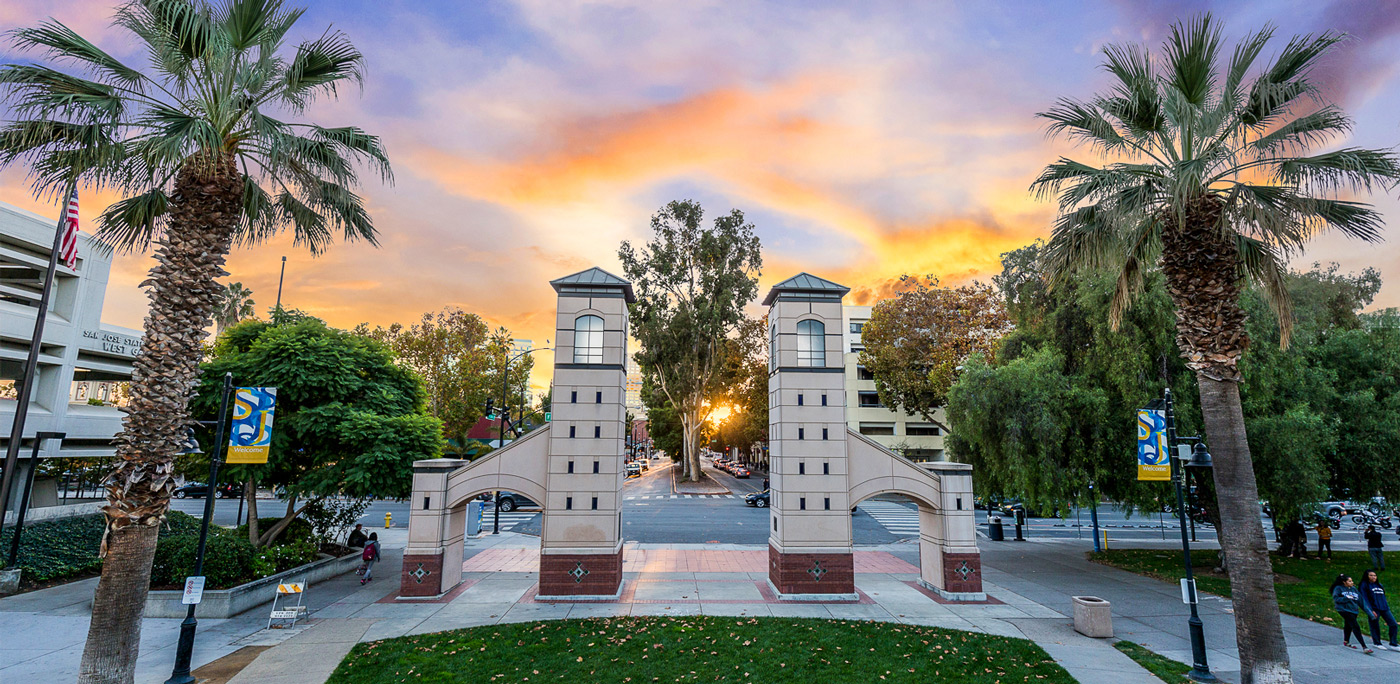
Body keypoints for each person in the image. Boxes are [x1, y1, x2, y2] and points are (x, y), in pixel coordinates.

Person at [1360, 569, 1399, 651]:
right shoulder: (1364, 585)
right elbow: (1364, 598)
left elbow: (1383, 596)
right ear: (1367, 576)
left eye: (1375, 575)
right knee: (1375, 626)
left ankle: (1393, 643)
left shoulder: (1379, 585)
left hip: (1384, 608)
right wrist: (1370, 610)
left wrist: (1386, 605)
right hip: (1374, 609)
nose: (1373, 577)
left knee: (1393, 624)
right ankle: (1377, 643)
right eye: (1371, 575)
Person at [1333, 574, 1372, 653]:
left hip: (1354, 610)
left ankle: (1346, 641)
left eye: (1352, 581)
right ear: (1344, 582)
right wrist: (1346, 598)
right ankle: (1364, 647)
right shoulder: (1338, 588)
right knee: (1355, 626)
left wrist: (1370, 613)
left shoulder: (1354, 589)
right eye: (1349, 581)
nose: (1352, 582)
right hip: (1343, 610)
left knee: (1348, 625)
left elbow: (1361, 602)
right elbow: (1336, 599)